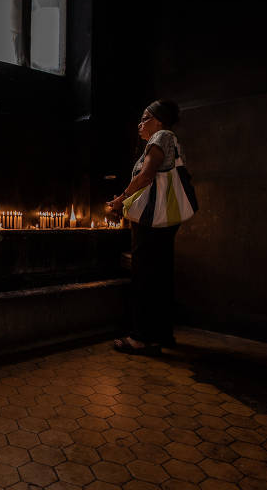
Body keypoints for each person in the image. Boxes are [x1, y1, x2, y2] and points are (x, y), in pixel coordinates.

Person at [107, 99, 182, 354]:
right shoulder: (169, 139)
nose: (140, 124)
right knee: (160, 275)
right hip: (164, 220)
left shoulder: (161, 136)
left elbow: (146, 175)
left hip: (152, 220)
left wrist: (121, 199)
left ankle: (141, 338)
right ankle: (162, 334)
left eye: (145, 118)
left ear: (159, 121)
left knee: (144, 275)